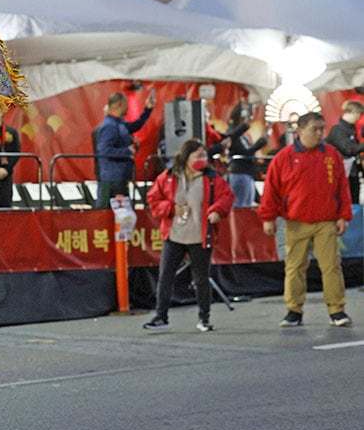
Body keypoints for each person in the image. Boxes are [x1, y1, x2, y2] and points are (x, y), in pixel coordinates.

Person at [258, 112, 353, 327]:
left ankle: (337, 310)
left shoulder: (332, 155)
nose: (319, 133)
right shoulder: (284, 157)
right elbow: (271, 189)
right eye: (314, 129)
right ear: (299, 131)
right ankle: (294, 311)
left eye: (322, 128)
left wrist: (343, 216)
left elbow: (342, 188)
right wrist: (268, 217)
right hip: (295, 222)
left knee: (331, 267)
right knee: (294, 267)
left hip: (326, 221)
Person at [142, 139, 235, 332]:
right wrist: (169, 208)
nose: (202, 159)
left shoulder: (212, 178)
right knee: (166, 275)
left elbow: (227, 196)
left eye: (204, 155)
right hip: (174, 235)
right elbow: (153, 199)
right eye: (197, 156)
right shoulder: (168, 177)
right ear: (186, 158)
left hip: (200, 235)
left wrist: (217, 210)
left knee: (201, 278)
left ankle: (204, 318)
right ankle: (161, 317)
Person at [95, 88, 155, 208]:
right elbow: (103, 150)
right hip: (112, 179)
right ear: (118, 105)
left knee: (123, 213)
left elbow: (135, 125)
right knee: (108, 212)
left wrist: (148, 109)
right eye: (126, 104)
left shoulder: (119, 123)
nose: (128, 108)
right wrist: (127, 151)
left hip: (121, 177)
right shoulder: (109, 126)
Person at [224, 102, 266, 208]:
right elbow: (244, 152)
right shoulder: (233, 133)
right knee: (240, 206)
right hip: (240, 172)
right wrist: (260, 143)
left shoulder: (243, 134)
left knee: (246, 205)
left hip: (246, 173)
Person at [326, 100, 363, 205]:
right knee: (344, 202)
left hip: (353, 173)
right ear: (354, 112)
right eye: (359, 114)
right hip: (341, 174)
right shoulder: (337, 130)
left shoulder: (351, 129)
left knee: (355, 203)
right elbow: (348, 149)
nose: (359, 118)